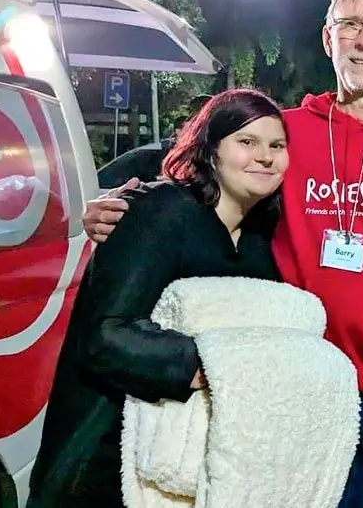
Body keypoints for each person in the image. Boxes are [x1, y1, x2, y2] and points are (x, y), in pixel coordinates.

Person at [81, 0, 363, 508]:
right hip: (296, 376)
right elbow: (196, 153)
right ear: (328, 39)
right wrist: (116, 198)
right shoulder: (284, 132)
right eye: (350, 25)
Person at [27, 89, 288, 507]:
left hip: (186, 462)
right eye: (247, 141)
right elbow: (106, 336)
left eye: (277, 145)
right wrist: (221, 365)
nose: (265, 157)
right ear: (211, 150)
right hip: (108, 456)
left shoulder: (260, 238)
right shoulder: (158, 212)